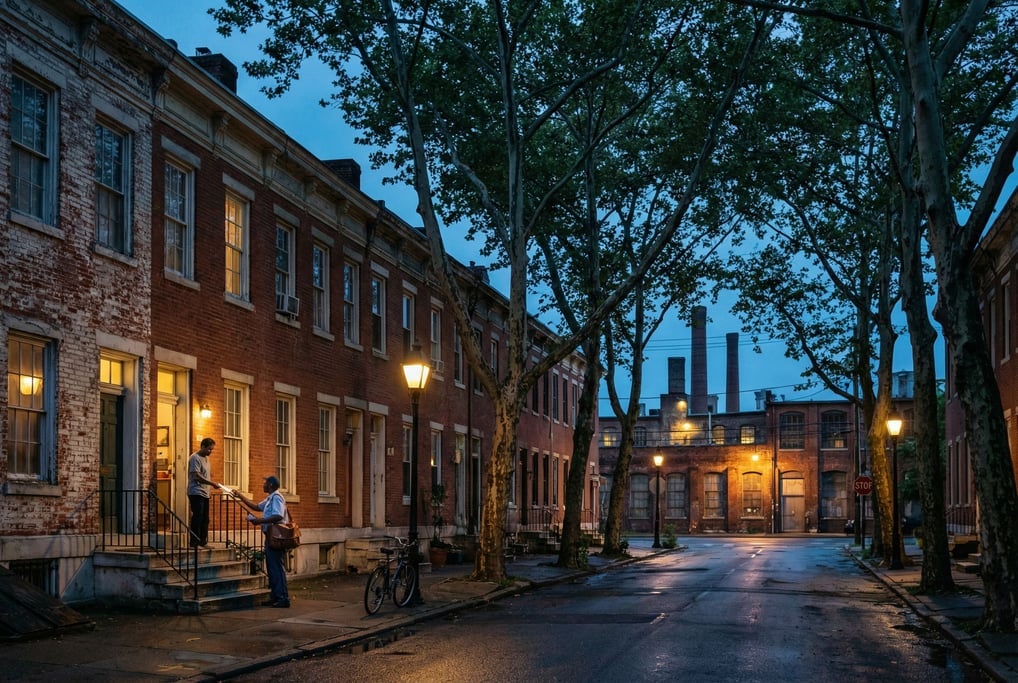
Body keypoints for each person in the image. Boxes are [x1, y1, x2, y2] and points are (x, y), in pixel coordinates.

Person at [234, 476, 291, 608]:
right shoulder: (270, 498)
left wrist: (259, 521)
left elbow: (278, 516)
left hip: (276, 537)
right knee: (271, 568)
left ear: (270, 485)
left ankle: (283, 598)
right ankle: (275, 596)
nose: (263, 485)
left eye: (265, 483)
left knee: (276, 567)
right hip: (270, 536)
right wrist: (240, 496)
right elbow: (256, 507)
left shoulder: (277, 497)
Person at [187, 437, 220, 546]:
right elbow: (196, 475)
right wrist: (211, 483)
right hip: (196, 492)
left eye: (212, 449)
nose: (210, 452)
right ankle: (194, 542)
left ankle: (203, 541)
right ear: (203, 446)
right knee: (198, 516)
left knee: (205, 518)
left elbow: (205, 475)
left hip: (205, 493)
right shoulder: (194, 458)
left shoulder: (206, 459)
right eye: (209, 449)